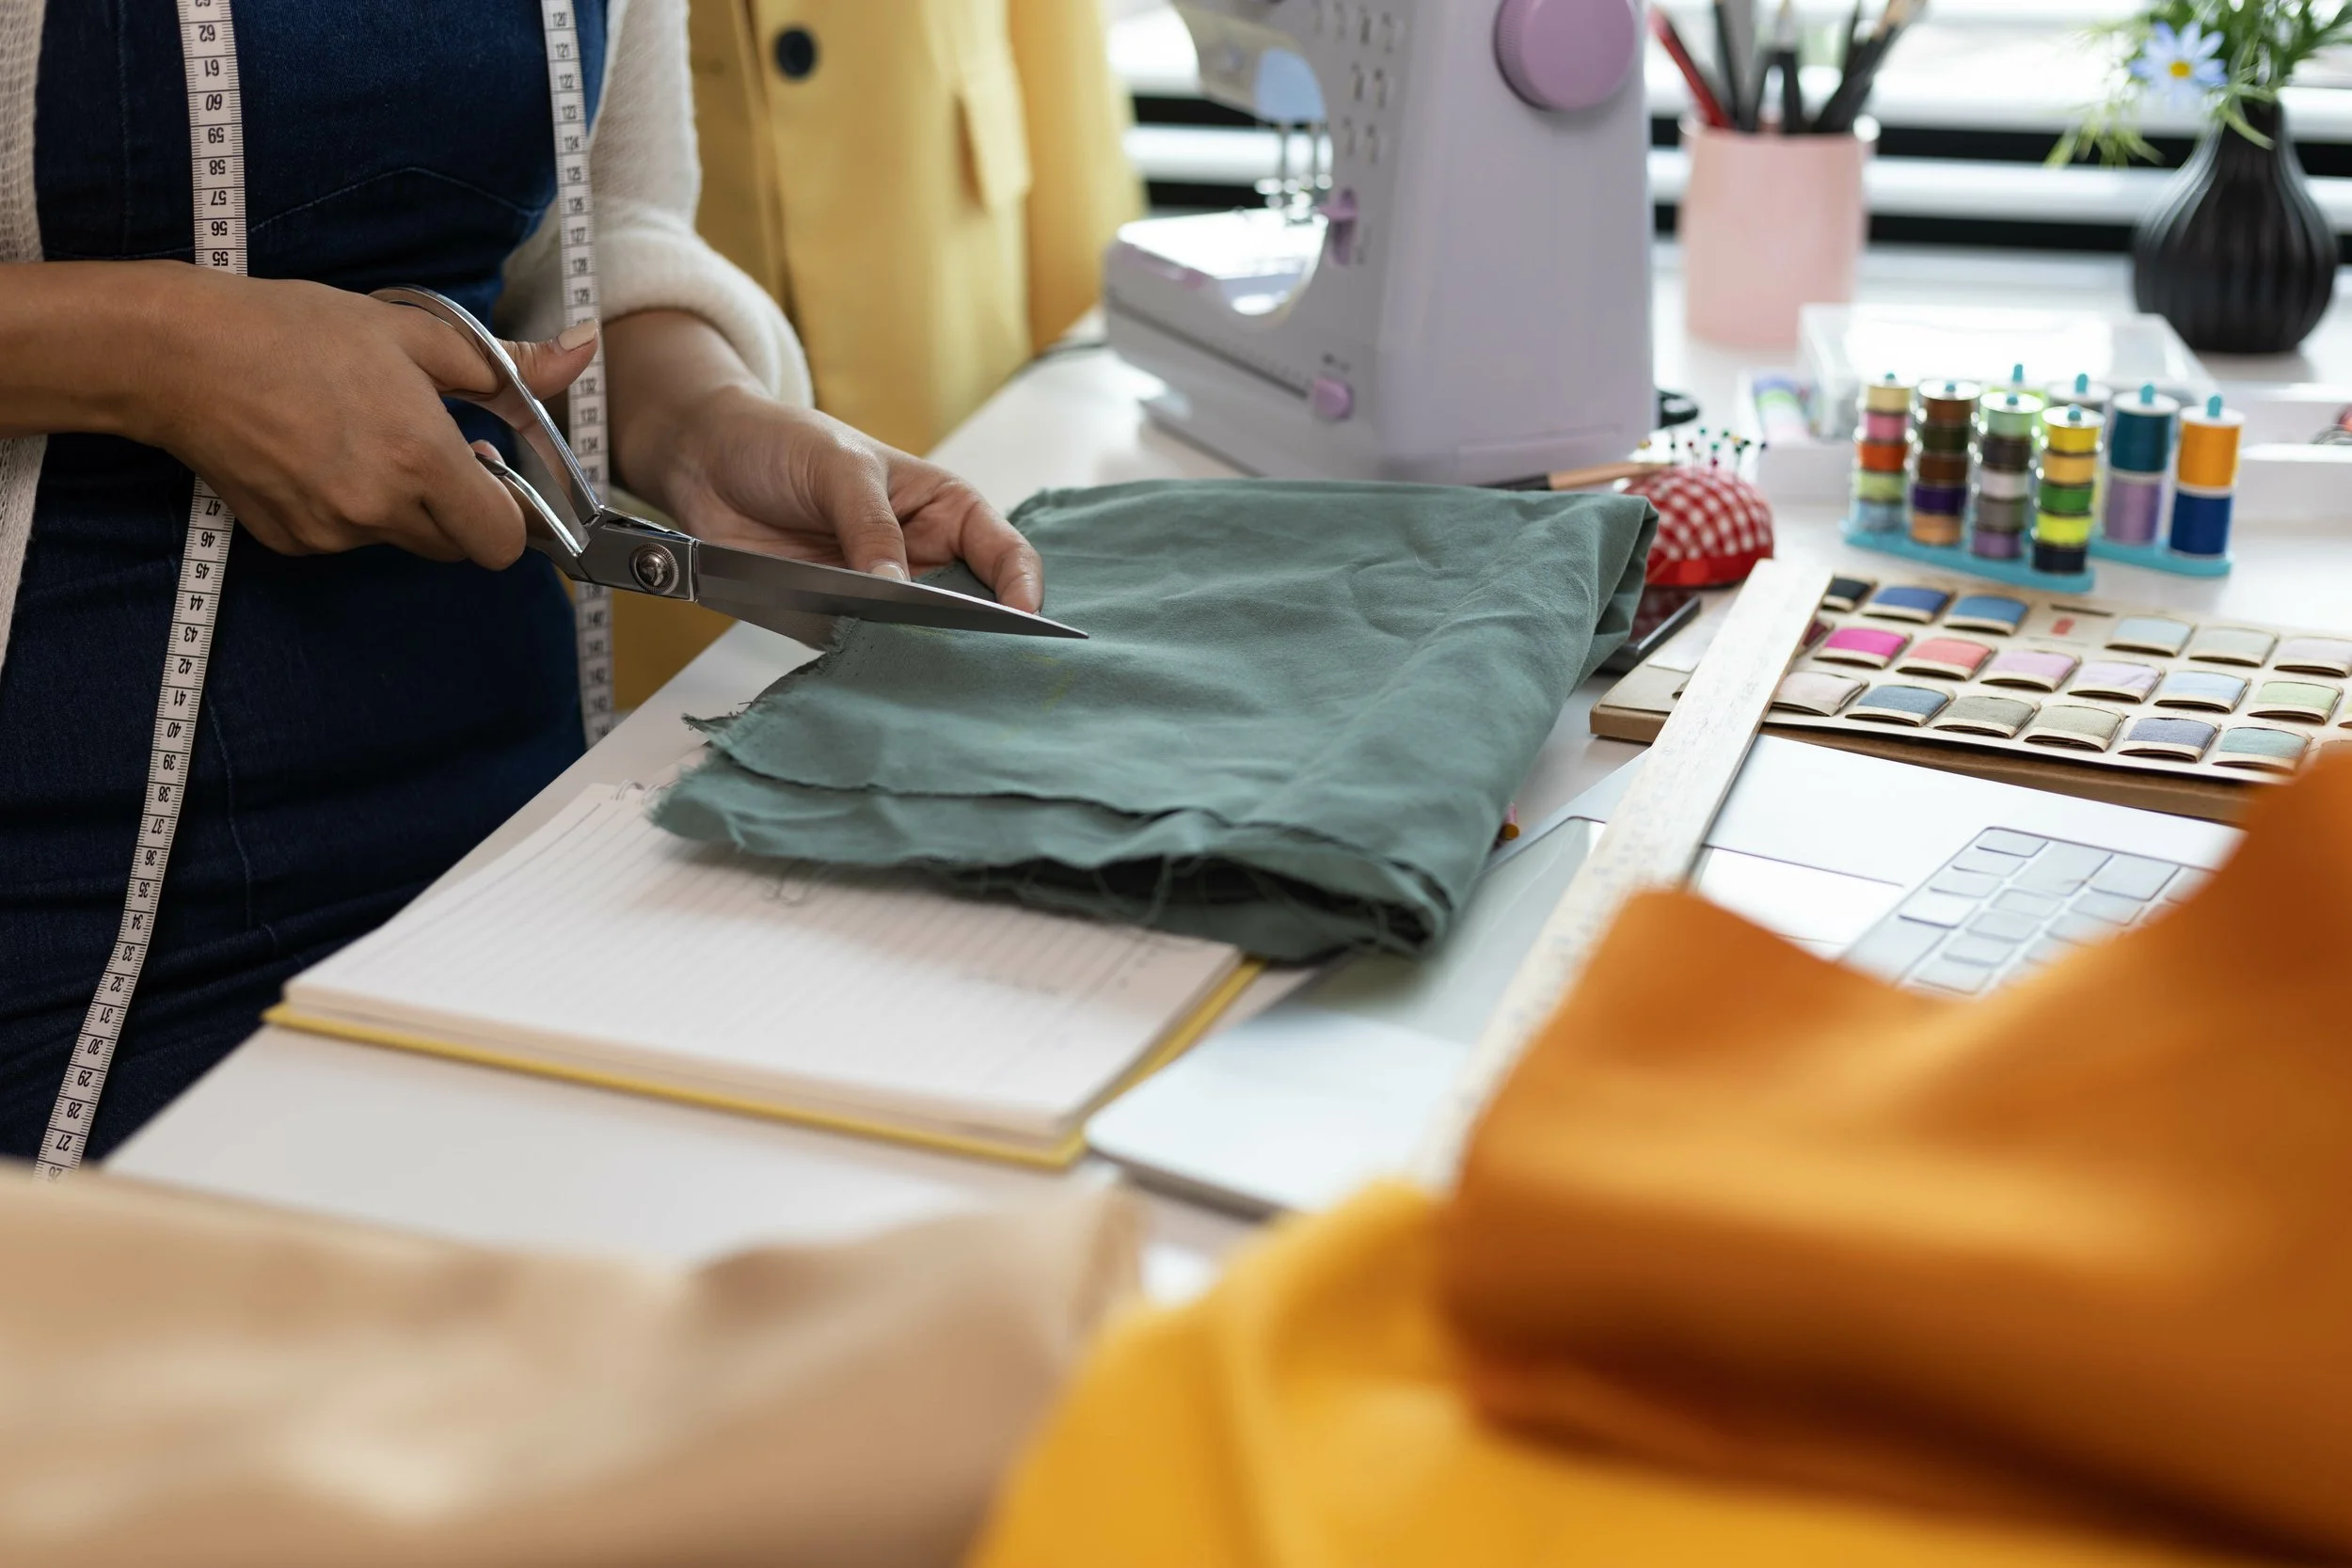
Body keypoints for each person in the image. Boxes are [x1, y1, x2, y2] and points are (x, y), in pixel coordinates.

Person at [0, 0, 1045, 1161]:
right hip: (58, 880)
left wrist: (705, 422)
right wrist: (154, 356)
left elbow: (598, 235)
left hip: (513, 824)